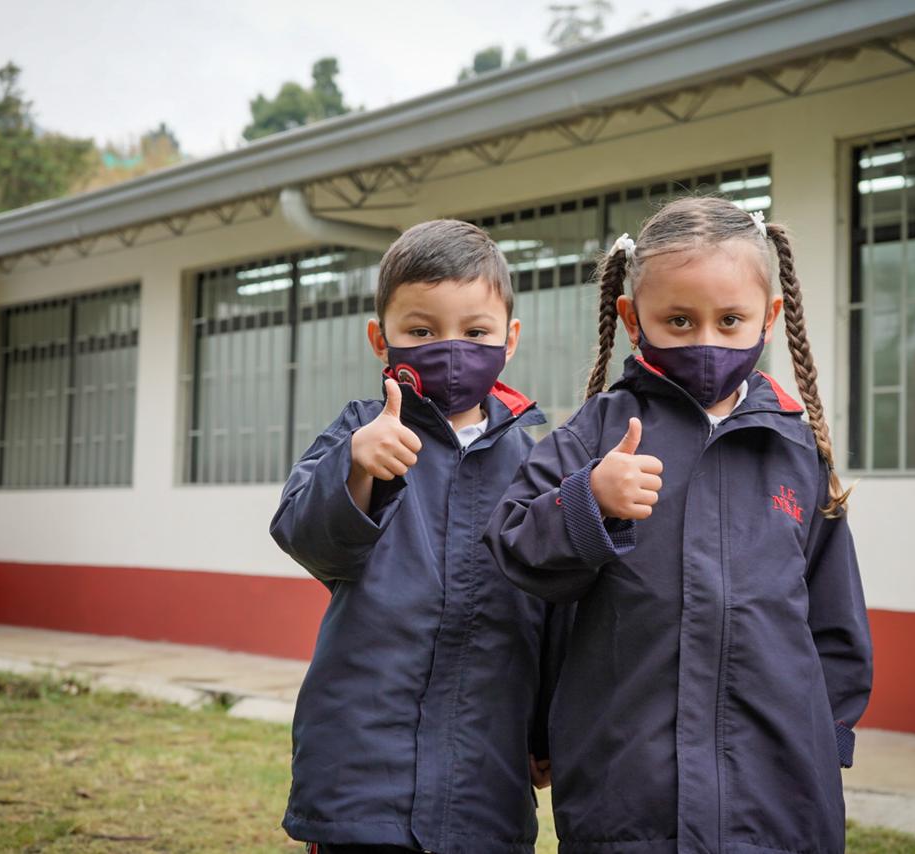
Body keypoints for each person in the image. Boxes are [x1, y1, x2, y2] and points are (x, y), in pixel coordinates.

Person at [484, 195, 873, 853]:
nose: (707, 341)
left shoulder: (796, 451)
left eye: (730, 320)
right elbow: (516, 548)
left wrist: (822, 738)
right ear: (635, 321)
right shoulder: (597, 437)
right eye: (680, 320)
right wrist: (587, 501)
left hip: (779, 799)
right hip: (629, 795)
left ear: (769, 319)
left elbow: (835, 620)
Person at [271, 219, 556, 854]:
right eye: (422, 331)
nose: (451, 348)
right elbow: (305, 536)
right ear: (382, 339)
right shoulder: (361, 430)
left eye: (475, 332)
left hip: (488, 780)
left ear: (509, 339)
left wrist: (543, 735)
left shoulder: (536, 464)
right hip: (361, 779)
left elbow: (547, 616)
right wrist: (356, 467)